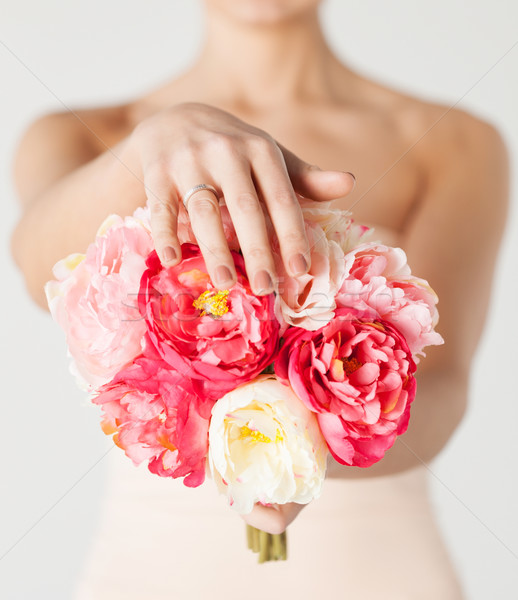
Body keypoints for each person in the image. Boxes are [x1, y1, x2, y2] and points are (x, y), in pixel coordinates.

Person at [10, 1, 509, 598]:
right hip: (151, 573)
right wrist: (153, 147)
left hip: (380, 572)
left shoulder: (456, 142)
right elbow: (36, 268)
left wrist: (304, 450)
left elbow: (445, 384)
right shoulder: (75, 134)